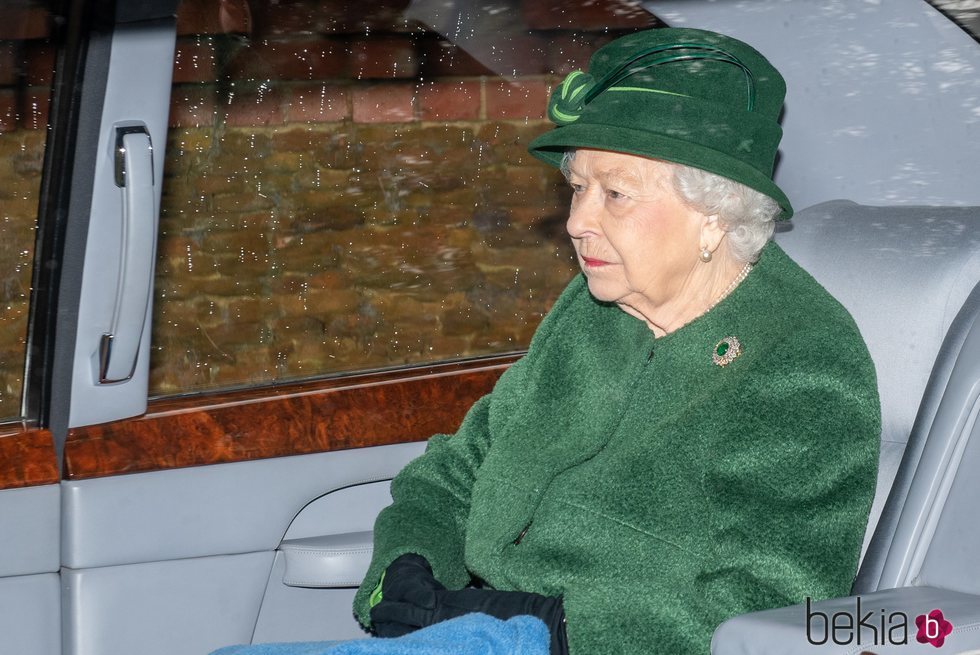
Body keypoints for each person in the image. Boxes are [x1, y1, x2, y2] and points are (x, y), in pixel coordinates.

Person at [353, 27, 881, 655]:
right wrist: (406, 569)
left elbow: (771, 601)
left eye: (616, 194)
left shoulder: (800, 356)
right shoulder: (595, 309)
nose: (577, 222)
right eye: (578, 187)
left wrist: (556, 626)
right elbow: (458, 470)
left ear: (712, 212)